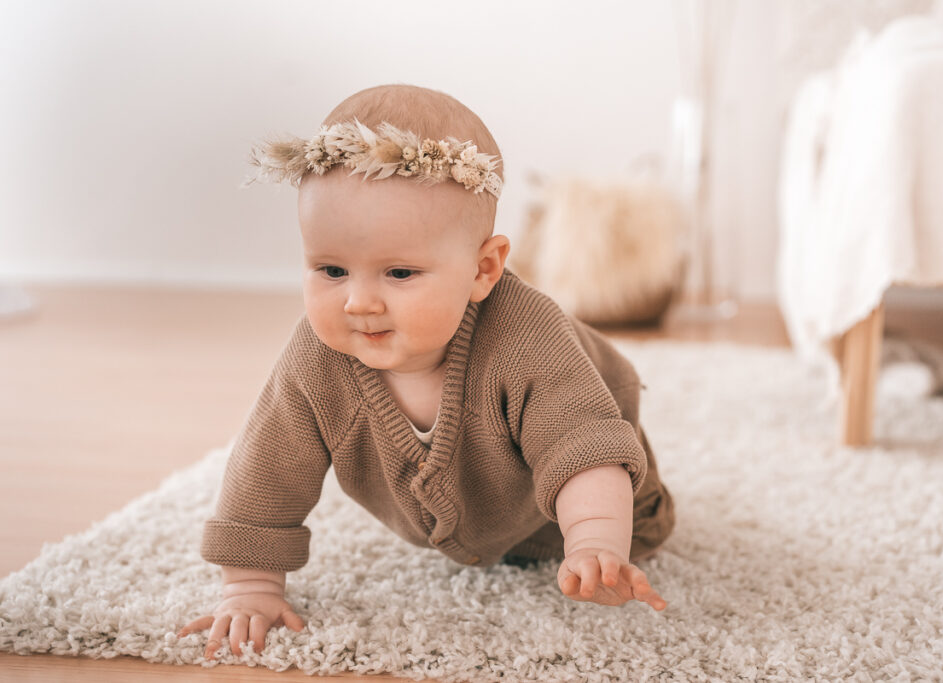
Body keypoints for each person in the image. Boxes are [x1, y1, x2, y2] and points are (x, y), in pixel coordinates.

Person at [178, 84, 676, 660]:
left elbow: (583, 444)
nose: (359, 302)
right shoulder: (317, 357)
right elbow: (268, 467)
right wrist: (250, 585)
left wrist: (595, 540)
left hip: (594, 496)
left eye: (400, 273)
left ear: (483, 270)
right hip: (472, 510)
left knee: (619, 517)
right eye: (332, 269)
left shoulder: (527, 338)